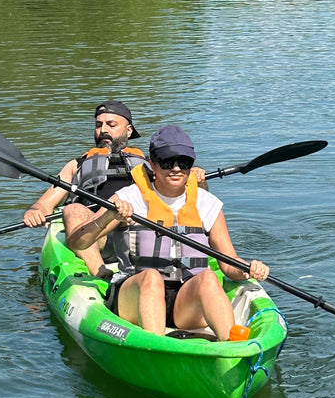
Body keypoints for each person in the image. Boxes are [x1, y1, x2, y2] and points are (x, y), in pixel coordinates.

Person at [66, 124, 269, 341]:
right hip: (135, 295)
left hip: (184, 302)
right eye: (166, 162)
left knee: (208, 278)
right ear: (152, 164)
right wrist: (109, 216)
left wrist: (247, 269)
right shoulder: (128, 197)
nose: (176, 169)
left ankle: (232, 347)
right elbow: (78, 242)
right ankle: (154, 346)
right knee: (151, 278)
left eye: (184, 162)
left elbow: (229, 264)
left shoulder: (208, 204)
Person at [23, 101, 149, 276]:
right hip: (96, 236)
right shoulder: (77, 165)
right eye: (98, 125)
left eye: (111, 125)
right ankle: (101, 273)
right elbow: (44, 204)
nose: (103, 130)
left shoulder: (151, 164)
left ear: (128, 131)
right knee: (72, 210)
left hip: (139, 233)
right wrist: (35, 211)